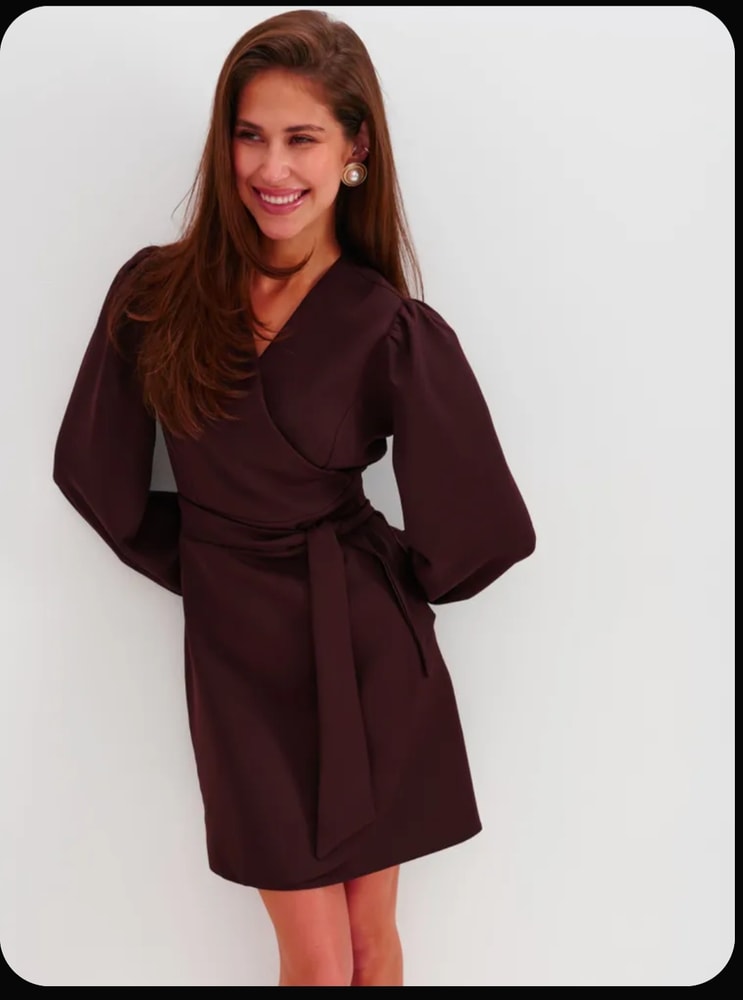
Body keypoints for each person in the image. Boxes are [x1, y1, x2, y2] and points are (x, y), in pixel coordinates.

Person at [52, 8, 536, 988]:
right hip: (238, 658)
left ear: (355, 150)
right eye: (250, 134)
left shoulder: (386, 325)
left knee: (368, 944)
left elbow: (481, 526)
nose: (272, 168)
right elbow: (95, 479)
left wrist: (374, 581)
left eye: (301, 138)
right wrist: (216, 560)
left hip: (363, 651)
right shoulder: (156, 294)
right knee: (314, 958)